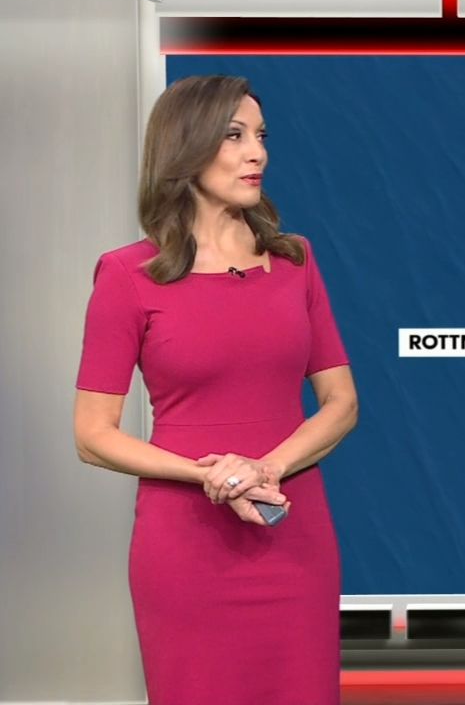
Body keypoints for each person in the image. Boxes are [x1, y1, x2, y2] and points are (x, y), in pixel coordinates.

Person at [73, 74, 358, 705]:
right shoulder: (127, 275)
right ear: (186, 145)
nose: (257, 153)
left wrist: (266, 468)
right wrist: (211, 475)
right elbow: (92, 436)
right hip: (186, 546)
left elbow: (341, 403)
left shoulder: (295, 261)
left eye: (261, 136)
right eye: (234, 136)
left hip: (292, 532)